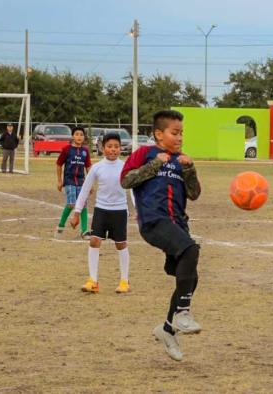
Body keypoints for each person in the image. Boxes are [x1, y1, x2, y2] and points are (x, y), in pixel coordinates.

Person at [121, 109, 201, 362]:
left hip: (177, 223)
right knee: (190, 250)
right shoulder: (146, 154)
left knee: (189, 278)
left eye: (182, 133)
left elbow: (194, 194)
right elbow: (127, 180)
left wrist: (190, 170)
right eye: (174, 133)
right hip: (154, 221)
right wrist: (156, 164)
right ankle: (183, 313)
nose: (179, 138)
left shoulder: (181, 161)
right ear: (158, 134)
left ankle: (167, 329)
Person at [70, 132, 131, 294]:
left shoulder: (125, 167)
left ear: (121, 148)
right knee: (94, 241)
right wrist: (76, 212)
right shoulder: (97, 168)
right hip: (101, 210)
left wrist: (138, 211)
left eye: (116, 147)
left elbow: (134, 190)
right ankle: (93, 281)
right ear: (103, 148)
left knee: (121, 243)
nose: (113, 150)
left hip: (119, 211)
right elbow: (84, 190)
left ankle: (124, 281)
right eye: (109, 146)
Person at [55, 126, 92, 239]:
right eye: (77, 134)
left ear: (84, 137)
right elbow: (58, 164)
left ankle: (84, 231)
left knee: (83, 205)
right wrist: (59, 181)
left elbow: (88, 167)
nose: (79, 137)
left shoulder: (85, 151)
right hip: (69, 181)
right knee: (71, 204)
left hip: (82, 181)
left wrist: (90, 184)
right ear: (72, 136)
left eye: (81, 134)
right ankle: (60, 226)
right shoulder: (67, 149)